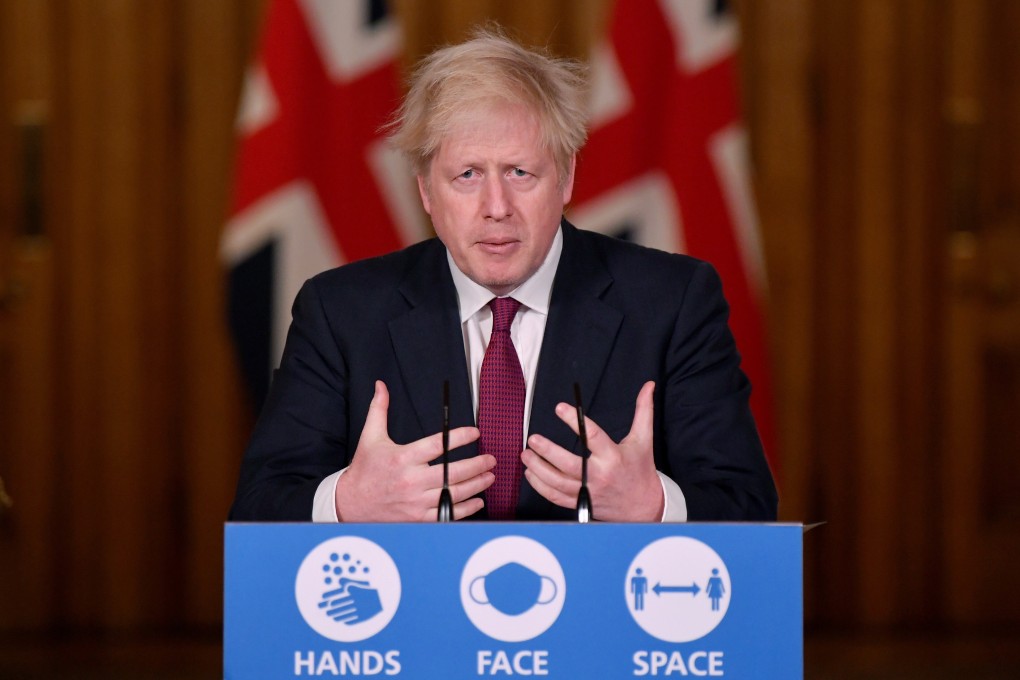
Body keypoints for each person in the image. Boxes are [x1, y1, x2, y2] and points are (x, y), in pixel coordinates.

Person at [229, 29, 777, 523]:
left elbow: (747, 506)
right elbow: (259, 506)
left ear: (565, 178)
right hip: (417, 623)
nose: (497, 206)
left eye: (521, 172)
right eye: (467, 175)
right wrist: (348, 503)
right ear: (426, 191)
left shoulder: (673, 302)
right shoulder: (340, 311)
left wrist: (654, 505)